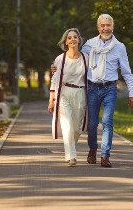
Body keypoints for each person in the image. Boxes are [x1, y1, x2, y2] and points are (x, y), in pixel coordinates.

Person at [52, 14, 133, 168]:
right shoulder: (89, 45)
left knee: (107, 122)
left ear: (113, 26)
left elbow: (126, 72)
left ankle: (105, 155)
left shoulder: (120, 47)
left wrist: (132, 93)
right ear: (98, 28)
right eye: (102, 26)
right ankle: (92, 150)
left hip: (110, 88)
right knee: (92, 124)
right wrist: (56, 68)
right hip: (91, 88)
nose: (106, 28)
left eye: (108, 25)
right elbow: (76, 59)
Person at [48, 28, 88, 167]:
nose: (72, 39)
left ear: (79, 40)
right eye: (69, 38)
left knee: (77, 128)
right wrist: (51, 100)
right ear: (65, 42)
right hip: (63, 93)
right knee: (67, 126)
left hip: (80, 93)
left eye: (75, 37)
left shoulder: (85, 57)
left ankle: (72, 148)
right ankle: (71, 156)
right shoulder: (60, 59)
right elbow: (54, 79)